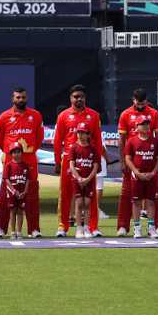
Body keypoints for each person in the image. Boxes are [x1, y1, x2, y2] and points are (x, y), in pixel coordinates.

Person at [53, 85, 104, 237]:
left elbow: (97, 140)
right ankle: (63, 227)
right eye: (75, 96)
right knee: (65, 194)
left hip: (88, 160)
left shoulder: (93, 115)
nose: (78, 99)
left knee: (91, 196)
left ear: (85, 98)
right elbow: (57, 140)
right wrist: (57, 161)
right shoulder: (63, 116)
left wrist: (98, 161)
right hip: (69, 161)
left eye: (81, 96)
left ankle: (93, 227)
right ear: (70, 98)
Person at [0, 88, 44, 237]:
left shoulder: (35, 115)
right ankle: (1, 229)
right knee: (5, 196)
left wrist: (28, 151)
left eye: (23, 97)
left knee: (31, 195)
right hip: (11, 160)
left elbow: (39, 138)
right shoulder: (4, 116)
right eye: (18, 97)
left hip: (29, 159)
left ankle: (34, 229)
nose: (20, 100)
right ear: (12, 99)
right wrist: (11, 153)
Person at [115, 88, 158, 235]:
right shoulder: (125, 114)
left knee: (155, 195)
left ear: (146, 101)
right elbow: (122, 141)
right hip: (132, 160)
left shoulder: (154, 113)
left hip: (149, 159)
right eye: (138, 102)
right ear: (133, 100)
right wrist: (123, 161)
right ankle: (123, 226)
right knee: (127, 194)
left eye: (143, 103)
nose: (140, 106)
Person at [124, 117, 158, 238]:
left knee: (151, 202)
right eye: (143, 124)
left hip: (151, 176)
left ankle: (151, 228)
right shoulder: (131, 141)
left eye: (147, 124)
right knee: (136, 202)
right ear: (137, 127)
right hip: (137, 176)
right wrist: (136, 172)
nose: (146, 126)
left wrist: (153, 173)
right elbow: (128, 158)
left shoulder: (155, 141)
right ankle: (137, 228)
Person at [68, 122, 100, 239]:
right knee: (79, 203)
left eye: (83, 133)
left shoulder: (93, 149)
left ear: (88, 135)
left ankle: (86, 227)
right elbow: (71, 165)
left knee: (87, 203)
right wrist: (79, 178)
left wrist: (88, 179)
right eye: (79, 133)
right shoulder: (74, 148)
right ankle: (79, 228)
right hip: (77, 180)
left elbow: (95, 166)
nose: (80, 135)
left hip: (89, 180)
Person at [1, 142, 30, 240]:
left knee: (20, 211)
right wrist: (13, 191)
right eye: (14, 152)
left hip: (22, 193)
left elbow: (27, 180)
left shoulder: (25, 165)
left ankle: (19, 231)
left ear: (21, 153)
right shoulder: (8, 165)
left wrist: (25, 191)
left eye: (18, 152)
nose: (16, 154)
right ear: (11, 154)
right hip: (12, 193)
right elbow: (6, 179)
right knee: (13, 211)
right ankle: (12, 232)